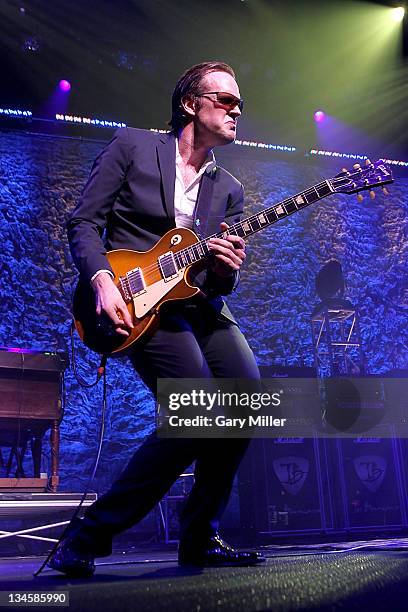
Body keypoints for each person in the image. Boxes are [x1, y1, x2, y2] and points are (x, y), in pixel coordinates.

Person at [49, 61, 264, 577]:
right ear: (191, 103)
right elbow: (83, 222)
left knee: (245, 399)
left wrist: (227, 270)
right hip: (138, 299)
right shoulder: (132, 147)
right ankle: (85, 537)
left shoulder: (229, 188)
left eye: (240, 102)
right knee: (196, 414)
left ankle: (200, 536)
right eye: (226, 100)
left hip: (199, 305)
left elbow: (215, 283)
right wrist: (102, 282)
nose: (237, 110)